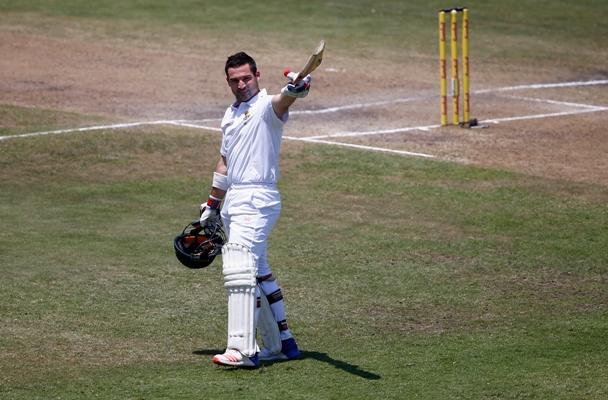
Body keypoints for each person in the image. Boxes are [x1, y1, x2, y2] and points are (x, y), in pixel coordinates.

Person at [199, 51, 312, 368]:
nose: (241, 84)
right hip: (234, 200)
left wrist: (296, 90)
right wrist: (211, 203)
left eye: (246, 78)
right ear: (228, 81)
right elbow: (225, 161)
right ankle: (282, 343)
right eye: (235, 80)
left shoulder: (266, 107)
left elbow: (285, 99)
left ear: (257, 75)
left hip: (258, 198)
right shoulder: (230, 115)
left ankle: (243, 350)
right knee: (258, 270)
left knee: (239, 266)